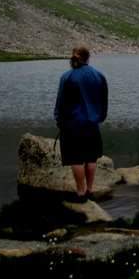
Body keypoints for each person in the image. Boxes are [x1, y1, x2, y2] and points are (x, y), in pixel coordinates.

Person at [54, 46, 109, 203]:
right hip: (92, 123)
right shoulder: (99, 75)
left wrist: (59, 120)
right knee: (91, 157)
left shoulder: (67, 77)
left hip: (72, 124)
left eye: (73, 56)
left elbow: (61, 102)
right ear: (88, 58)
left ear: (77, 58)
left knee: (76, 159)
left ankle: (81, 192)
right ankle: (90, 190)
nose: (72, 59)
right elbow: (104, 101)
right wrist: (100, 117)